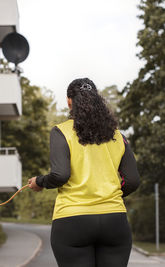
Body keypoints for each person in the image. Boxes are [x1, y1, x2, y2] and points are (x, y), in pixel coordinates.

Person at [28, 78, 140, 267]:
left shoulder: (61, 132)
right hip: (114, 220)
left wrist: (39, 181)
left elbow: (60, 175)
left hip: (72, 221)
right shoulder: (118, 136)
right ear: (97, 100)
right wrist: (109, 195)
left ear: (69, 101)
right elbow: (133, 180)